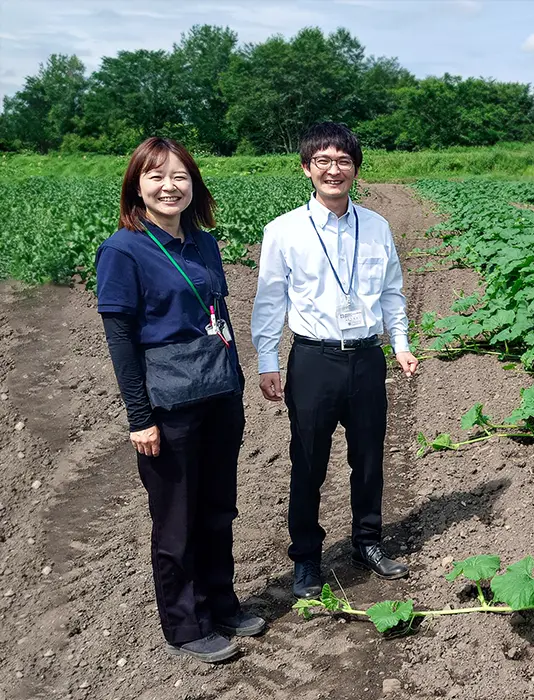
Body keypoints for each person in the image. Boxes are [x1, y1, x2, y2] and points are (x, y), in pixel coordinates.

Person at [95, 137, 265, 663]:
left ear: (194, 185)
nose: (170, 186)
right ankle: (185, 625)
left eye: (180, 177)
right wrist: (139, 419)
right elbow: (121, 341)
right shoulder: (123, 250)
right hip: (169, 406)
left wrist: (236, 382)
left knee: (218, 508)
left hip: (218, 395)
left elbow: (220, 318)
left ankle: (223, 603)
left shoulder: (203, 242)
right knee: (176, 520)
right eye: (156, 176)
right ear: (137, 186)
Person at [251, 122, 419, 599]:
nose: (333, 169)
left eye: (343, 161)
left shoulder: (377, 226)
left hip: (367, 358)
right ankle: (306, 558)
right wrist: (269, 360)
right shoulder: (283, 231)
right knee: (308, 463)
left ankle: (368, 542)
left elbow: (391, 293)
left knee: (368, 459)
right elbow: (270, 301)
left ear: (356, 169)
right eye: (322, 161)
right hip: (314, 360)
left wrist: (400, 344)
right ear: (307, 168)